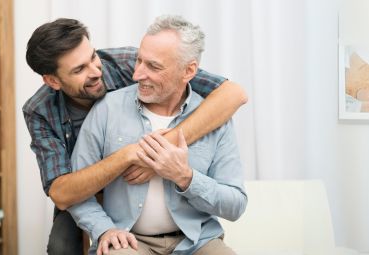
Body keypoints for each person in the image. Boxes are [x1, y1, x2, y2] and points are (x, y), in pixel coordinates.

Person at [23, 18, 248, 254]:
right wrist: (130, 155)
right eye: (79, 69)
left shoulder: (127, 62)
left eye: (92, 57)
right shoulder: (42, 110)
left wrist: (165, 157)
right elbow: (62, 192)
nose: (138, 74)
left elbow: (233, 93)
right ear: (53, 80)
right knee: (61, 246)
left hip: (194, 237)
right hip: (85, 193)